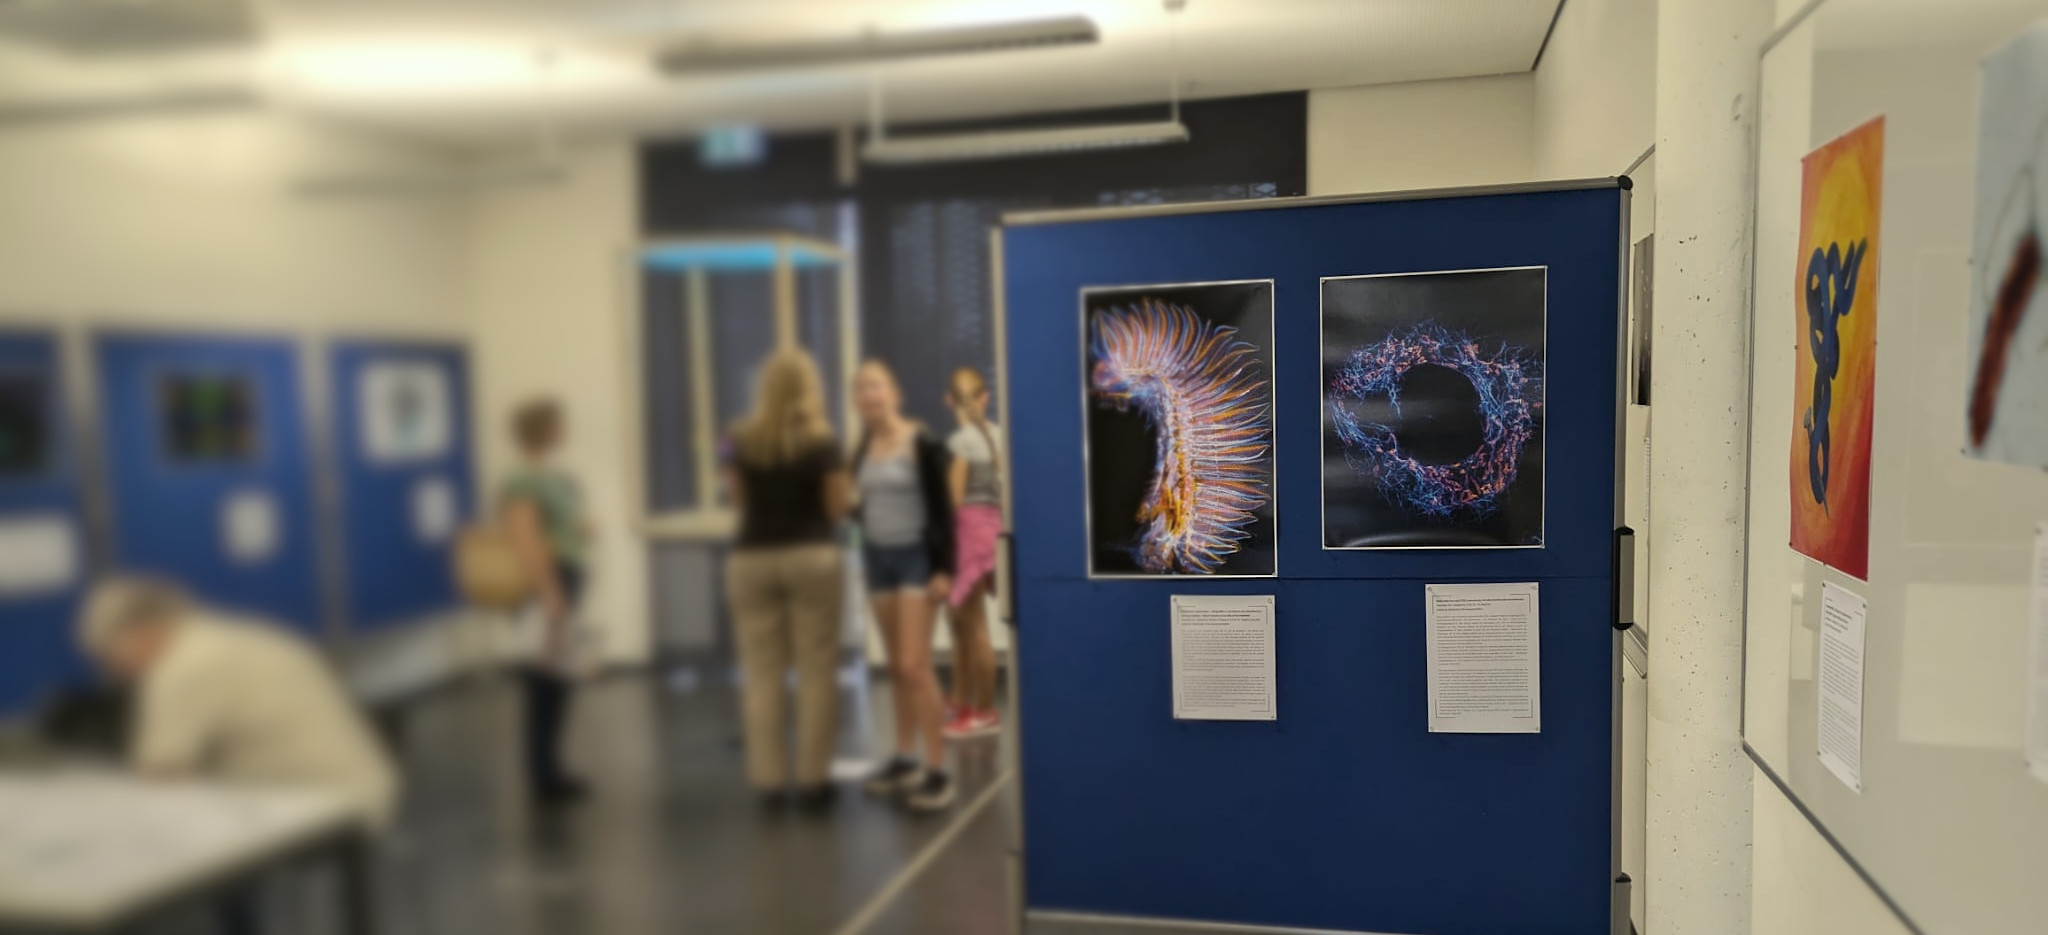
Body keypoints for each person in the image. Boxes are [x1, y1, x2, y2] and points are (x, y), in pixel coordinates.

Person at [77, 575, 398, 829]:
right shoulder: (221, 635)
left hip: (322, 813)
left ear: (143, 632)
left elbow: (160, 777)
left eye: (109, 654)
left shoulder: (182, 668)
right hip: (362, 790)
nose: (112, 672)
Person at [725, 349, 851, 812]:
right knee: (816, 671)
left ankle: (770, 784)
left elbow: (737, 498)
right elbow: (836, 509)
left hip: (752, 557)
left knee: (762, 674)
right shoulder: (824, 442)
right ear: (810, 387)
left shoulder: (738, 439)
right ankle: (814, 782)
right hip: (810, 556)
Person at [850, 360, 957, 812]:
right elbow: (859, 504)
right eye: (861, 388)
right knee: (896, 666)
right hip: (878, 559)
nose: (869, 395)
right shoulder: (863, 446)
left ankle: (936, 770)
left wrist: (944, 568)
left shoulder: (921, 441)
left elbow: (944, 509)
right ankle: (905, 758)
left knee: (915, 665)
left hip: (917, 558)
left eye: (876, 386)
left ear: (894, 393)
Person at [500, 398, 591, 805]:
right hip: (549, 583)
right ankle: (543, 773)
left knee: (559, 678)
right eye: (559, 422)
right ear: (543, 427)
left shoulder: (548, 475)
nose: (565, 428)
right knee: (545, 681)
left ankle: (552, 767)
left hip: (565, 575)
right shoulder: (521, 479)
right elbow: (524, 539)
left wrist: (580, 530)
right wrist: (550, 593)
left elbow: (558, 526)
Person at [942, 367, 1003, 740]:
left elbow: (955, 501)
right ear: (985, 398)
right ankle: (962, 700)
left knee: (973, 625)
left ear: (949, 401)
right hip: (992, 532)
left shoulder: (962, 442)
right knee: (963, 622)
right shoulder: (998, 437)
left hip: (969, 535)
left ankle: (984, 711)